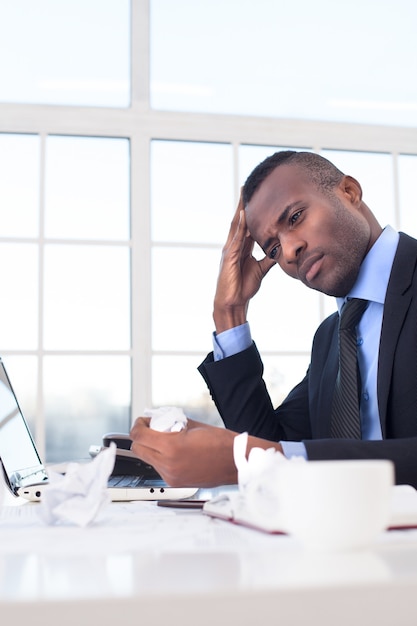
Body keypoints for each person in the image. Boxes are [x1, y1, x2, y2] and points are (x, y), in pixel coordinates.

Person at [130, 150, 417, 488]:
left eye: (295, 217)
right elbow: (271, 442)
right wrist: (229, 314)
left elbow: (276, 458)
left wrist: (256, 460)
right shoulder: (332, 338)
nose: (290, 251)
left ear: (349, 192)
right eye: (273, 249)